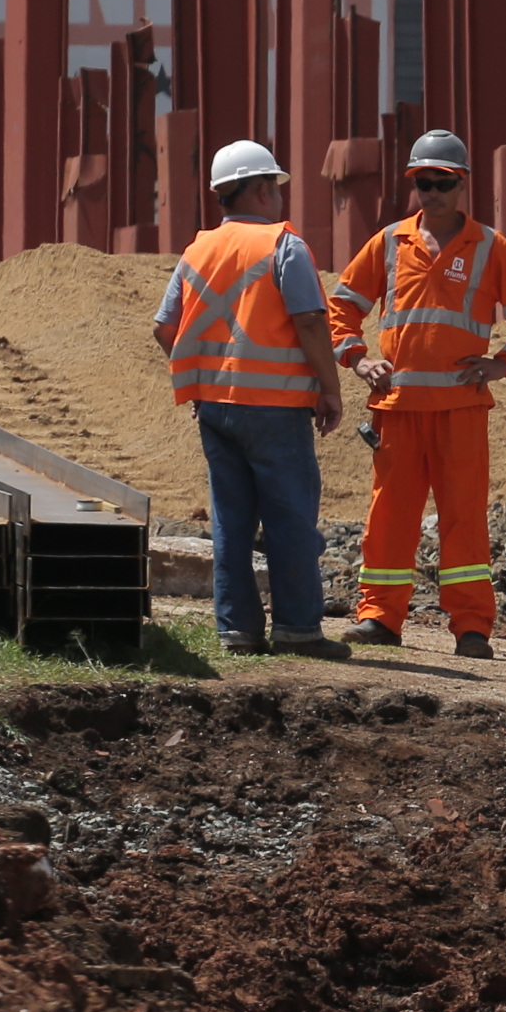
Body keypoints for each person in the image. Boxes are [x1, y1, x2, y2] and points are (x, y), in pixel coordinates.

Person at [327, 130, 506, 658]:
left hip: (460, 410)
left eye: (442, 182)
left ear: (462, 184)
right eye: (423, 182)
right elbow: (340, 308)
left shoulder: (491, 248)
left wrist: (503, 365)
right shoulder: (388, 243)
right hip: (400, 409)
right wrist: (359, 360)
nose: (432, 192)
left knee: (464, 520)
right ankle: (380, 618)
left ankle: (471, 628)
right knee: (390, 517)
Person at [151, 137, 346, 658]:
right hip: (277, 409)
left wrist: (202, 376)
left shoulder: (198, 250)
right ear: (262, 190)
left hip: (215, 408)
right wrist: (329, 388)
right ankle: (298, 630)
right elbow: (308, 320)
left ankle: (237, 631)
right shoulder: (285, 246)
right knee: (290, 520)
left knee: (231, 522)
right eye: (275, 187)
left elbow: (165, 326)